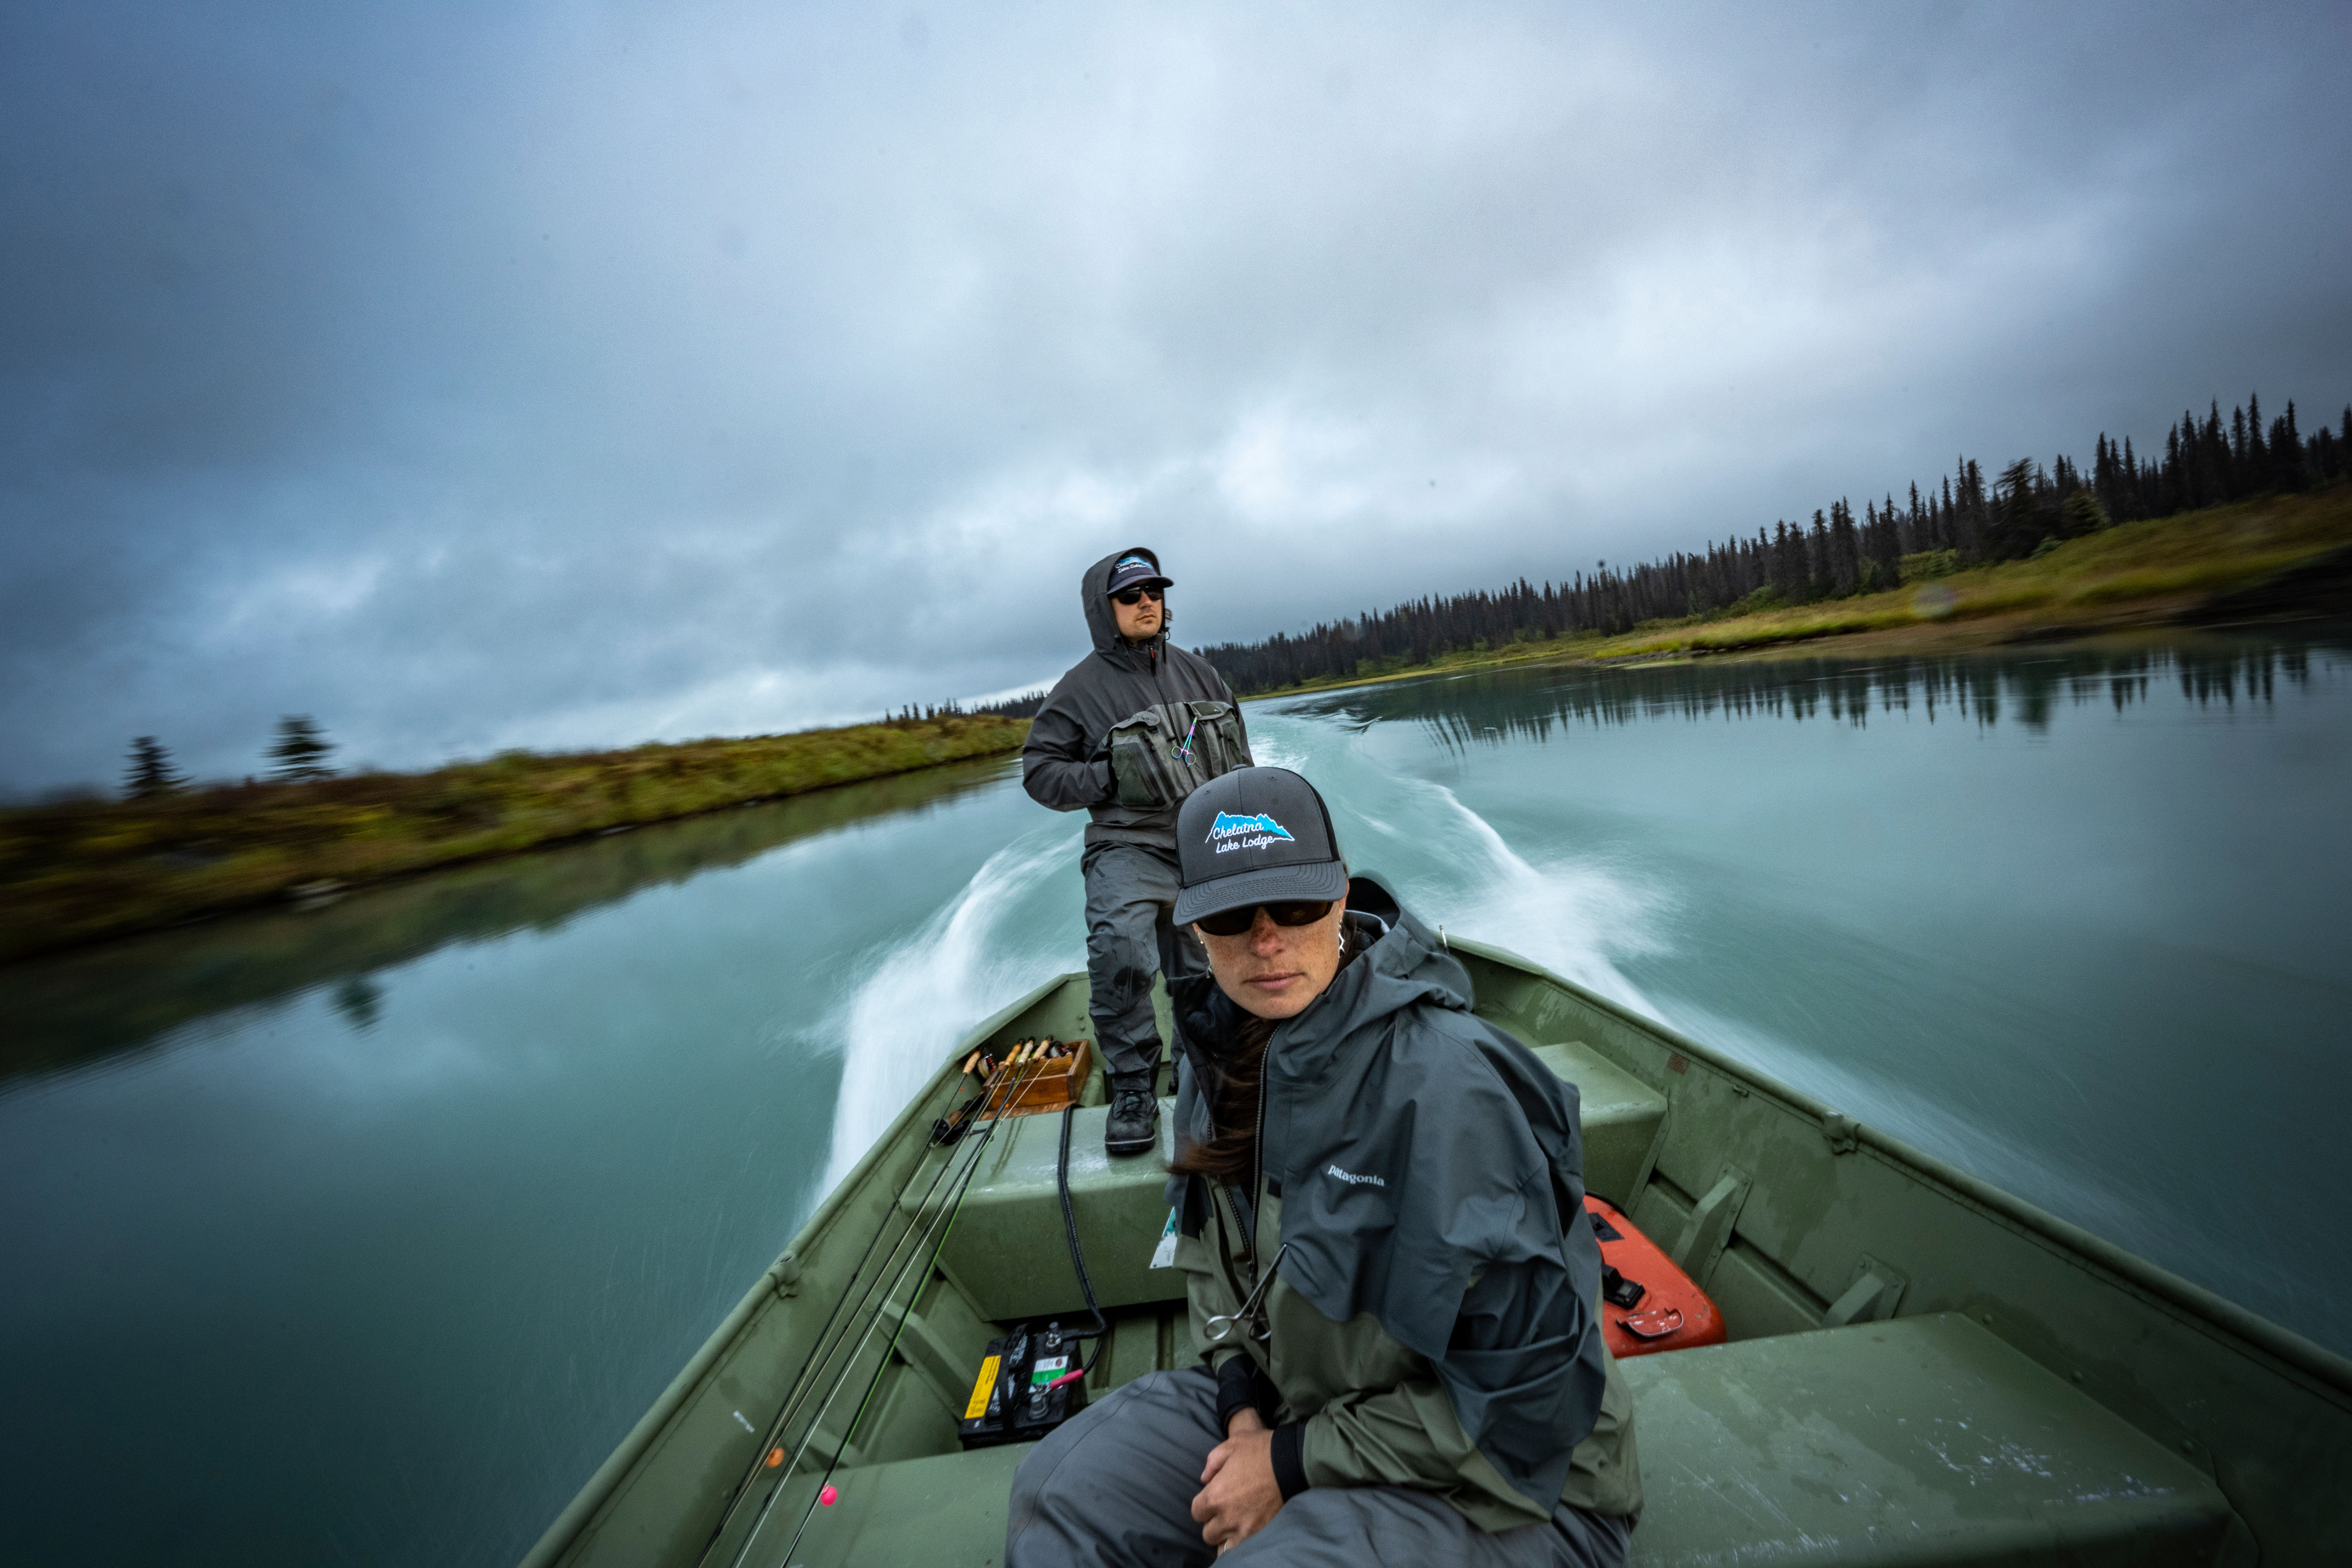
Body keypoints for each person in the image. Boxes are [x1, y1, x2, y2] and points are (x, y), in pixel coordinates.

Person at [1005, 766, 1641, 1567]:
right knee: (1060, 1494)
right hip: (1298, 1408)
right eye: (1233, 916)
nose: (1267, 941)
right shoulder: (1216, 1058)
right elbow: (1212, 1262)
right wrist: (1242, 1412)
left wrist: (1286, 1463)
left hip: (1517, 1485)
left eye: (1297, 908)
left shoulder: (1456, 1091)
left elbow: (1530, 1394)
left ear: (1341, 899)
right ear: (1196, 931)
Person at [1022, 547, 1251, 1157]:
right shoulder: (1077, 691)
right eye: (1131, 595)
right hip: (1126, 846)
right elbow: (1040, 772)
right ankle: (1130, 1088)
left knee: (1207, 965)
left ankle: (1203, 1068)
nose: (1147, 601)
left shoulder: (1202, 674)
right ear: (1106, 609)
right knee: (1120, 949)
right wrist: (1106, 779)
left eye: (1154, 590)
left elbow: (1241, 758)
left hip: (1204, 840)